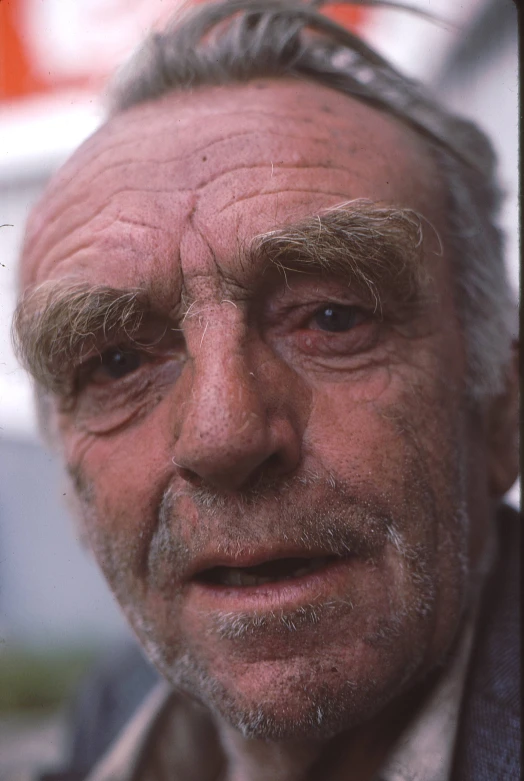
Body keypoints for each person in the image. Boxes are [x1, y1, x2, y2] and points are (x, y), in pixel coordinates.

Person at [13, 1, 519, 779]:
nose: (223, 434)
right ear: (74, 492)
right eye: (115, 362)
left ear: (503, 408)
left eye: (330, 316)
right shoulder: (113, 709)